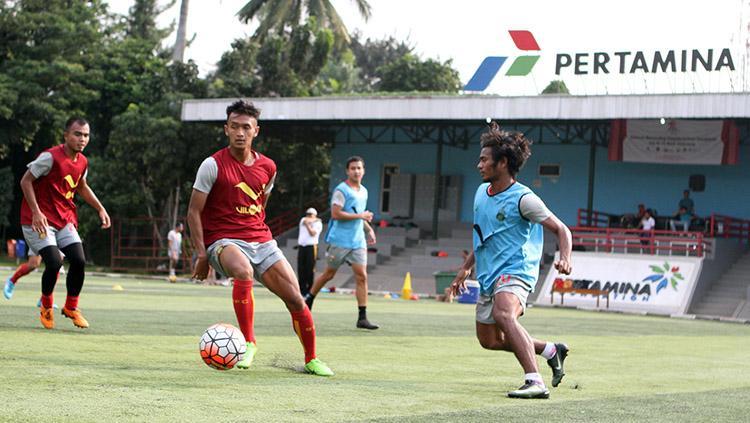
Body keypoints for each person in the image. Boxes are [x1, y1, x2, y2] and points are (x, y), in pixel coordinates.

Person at [187, 99, 333, 376]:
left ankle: (312, 359)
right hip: (223, 240)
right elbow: (194, 212)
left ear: (256, 130)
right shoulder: (212, 165)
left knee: (296, 299)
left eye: (246, 127)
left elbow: (261, 203)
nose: (240, 133)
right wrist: (203, 254)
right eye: (234, 127)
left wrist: (258, 236)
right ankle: (248, 343)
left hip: (262, 241)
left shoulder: (269, 167)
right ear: (226, 129)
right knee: (243, 272)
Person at [449, 123, 572, 399]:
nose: (478, 164)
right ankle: (551, 350)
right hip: (489, 274)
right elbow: (484, 237)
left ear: (502, 163)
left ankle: (535, 381)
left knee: (504, 314)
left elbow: (562, 229)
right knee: (490, 341)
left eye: (484, 159)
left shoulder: (524, 199)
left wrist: (565, 257)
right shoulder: (482, 193)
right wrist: (465, 268)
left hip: (517, 270)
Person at [19, 117, 111, 329]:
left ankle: (71, 307)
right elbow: (25, 181)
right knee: (54, 262)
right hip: (38, 220)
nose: (82, 139)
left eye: (86, 135)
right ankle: (47, 305)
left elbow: (81, 186)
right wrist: (36, 212)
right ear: (66, 135)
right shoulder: (49, 158)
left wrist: (100, 208)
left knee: (78, 260)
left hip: (64, 219)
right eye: (77, 134)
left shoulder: (83, 161)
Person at [304, 156, 379, 330]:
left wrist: (368, 229)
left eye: (359, 168)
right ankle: (308, 300)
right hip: (339, 240)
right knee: (329, 274)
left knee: (362, 276)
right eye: (353, 168)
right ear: (347, 171)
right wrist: (361, 216)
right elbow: (336, 214)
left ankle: (362, 317)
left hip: (357, 241)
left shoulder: (364, 191)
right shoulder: (341, 190)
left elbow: (358, 214)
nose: (356, 171)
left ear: (363, 170)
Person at [296, 208, 322, 296]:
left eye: (311, 214)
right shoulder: (303, 220)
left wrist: (309, 225)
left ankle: (309, 289)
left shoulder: (318, 223)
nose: (309, 216)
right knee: (301, 268)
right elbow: (305, 220)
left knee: (310, 268)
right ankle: (302, 289)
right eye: (308, 214)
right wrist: (310, 222)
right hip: (302, 246)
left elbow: (312, 233)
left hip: (311, 246)